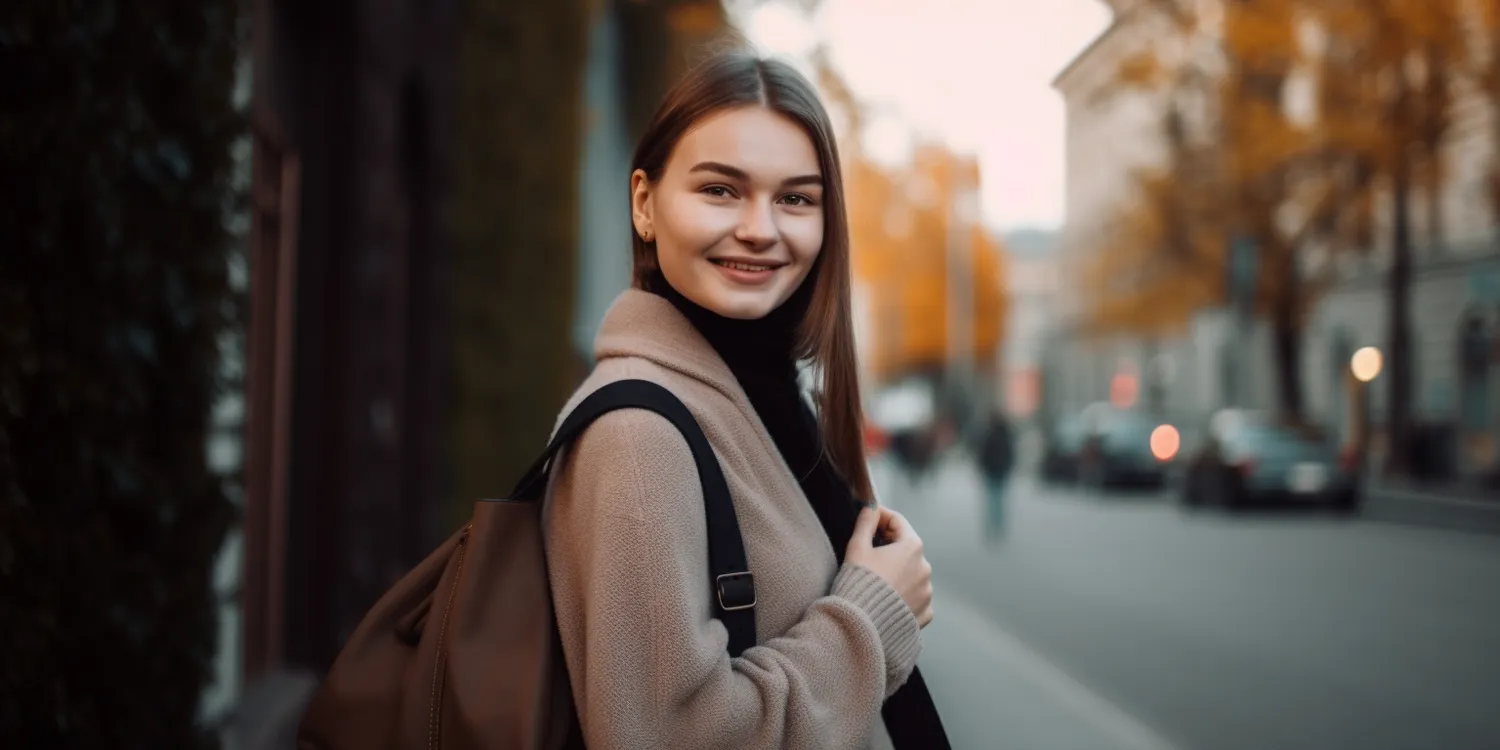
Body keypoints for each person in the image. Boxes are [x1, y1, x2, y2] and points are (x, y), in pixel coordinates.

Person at [543, 53, 948, 749]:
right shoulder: (640, 435)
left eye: (795, 198)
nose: (762, 227)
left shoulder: (774, 406)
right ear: (645, 204)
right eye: (722, 191)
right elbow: (663, 736)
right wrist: (871, 619)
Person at [976, 409, 1015, 541]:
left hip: (992, 471)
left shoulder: (991, 434)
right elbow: (1010, 454)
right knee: (998, 500)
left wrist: (983, 467)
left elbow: (984, 453)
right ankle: (997, 525)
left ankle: (993, 525)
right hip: (1000, 471)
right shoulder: (1005, 435)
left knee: (993, 500)